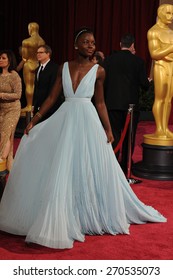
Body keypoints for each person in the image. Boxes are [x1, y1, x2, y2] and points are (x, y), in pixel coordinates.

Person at [0, 28, 166, 249]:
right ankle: (61, 211)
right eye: (86, 42)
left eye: (93, 42)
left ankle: (86, 210)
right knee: (63, 165)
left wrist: (108, 128)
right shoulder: (63, 67)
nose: (91, 45)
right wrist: (36, 119)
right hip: (66, 118)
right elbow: (52, 97)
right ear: (76, 45)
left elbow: (100, 103)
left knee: (87, 165)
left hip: (88, 120)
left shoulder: (99, 71)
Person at [103, 33, 150, 175]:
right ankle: (126, 167)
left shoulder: (108, 61)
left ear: (120, 44)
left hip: (111, 105)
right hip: (131, 106)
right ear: (132, 46)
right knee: (129, 137)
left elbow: (103, 83)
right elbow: (144, 85)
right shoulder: (138, 62)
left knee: (114, 135)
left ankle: (112, 166)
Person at [147, 4, 173, 139]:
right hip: (161, 67)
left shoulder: (171, 32)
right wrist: (170, 48)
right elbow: (155, 54)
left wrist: (167, 52)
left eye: (172, 14)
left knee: (168, 100)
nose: (171, 17)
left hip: (171, 66)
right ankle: (159, 128)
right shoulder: (153, 32)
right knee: (160, 98)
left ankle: (165, 128)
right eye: (168, 13)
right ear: (161, 14)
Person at [0, 50, 22, 172]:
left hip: (13, 109)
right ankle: (7, 166)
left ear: (9, 61)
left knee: (6, 134)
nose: (0, 60)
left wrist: (2, 95)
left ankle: (1, 161)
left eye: (3, 58)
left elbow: (18, 94)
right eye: (0, 58)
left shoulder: (14, 75)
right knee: (4, 135)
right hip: (1, 110)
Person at [33, 45, 63, 121]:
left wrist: (45, 107)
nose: (38, 54)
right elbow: (37, 89)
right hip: (38, 108)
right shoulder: (37, 69)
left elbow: (53, 90)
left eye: (41, 52)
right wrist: (34, 105)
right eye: (37, 52)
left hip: (50, 109)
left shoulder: (55, 68)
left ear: (48, 54)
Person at [21, 22, 45, 114]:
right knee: (37, 86)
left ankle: (29, 105)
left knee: (29, 85)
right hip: (38, 64)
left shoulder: (26, 41)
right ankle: (34, 105)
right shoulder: (42, 41)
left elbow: (25, 55)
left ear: (31, 28)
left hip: (29, 63)